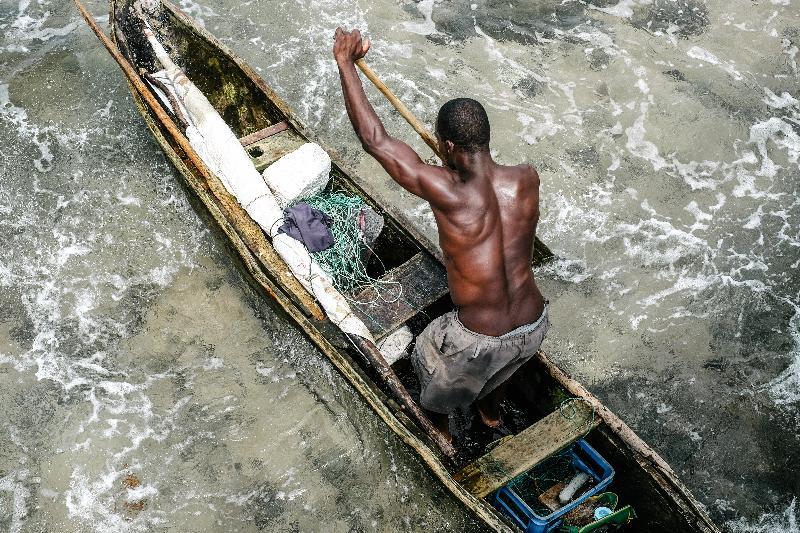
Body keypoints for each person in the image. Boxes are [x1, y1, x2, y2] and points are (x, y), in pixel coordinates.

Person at [333, 28, 549, 441]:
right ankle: (489, 413)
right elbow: (481, 180)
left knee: (425, 352)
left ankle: (440, 430)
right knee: (507, 359)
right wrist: (454, 160)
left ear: (447, 146)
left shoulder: (448, 191)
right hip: (534, 326)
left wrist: (346, 62)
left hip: (479, 342)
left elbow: (375, 140)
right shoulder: (526, 179)